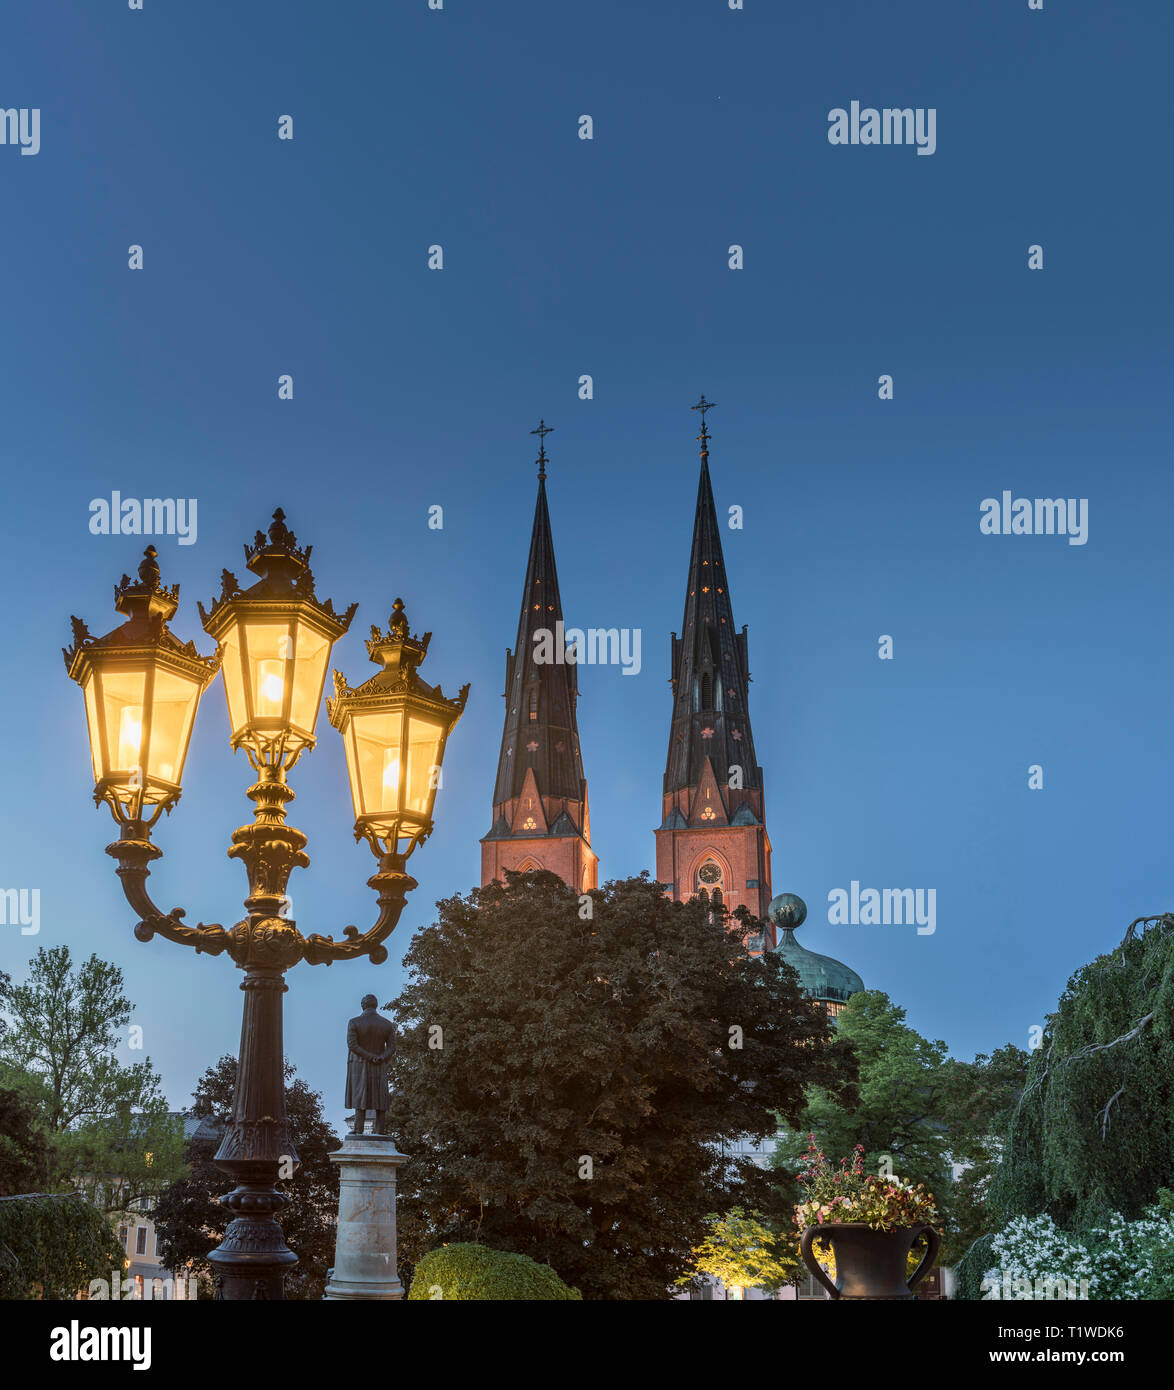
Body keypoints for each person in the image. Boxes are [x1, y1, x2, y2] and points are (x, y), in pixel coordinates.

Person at [345, 995, 395, 1134]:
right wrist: (380, 1057)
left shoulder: (354, 1022)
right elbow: (392, 1047)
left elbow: (352, 1045)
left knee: (360, 1095)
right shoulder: (387, 1024)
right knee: (380, 1096)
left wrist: (369, 1056)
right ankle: (380, 1130)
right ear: (376, 1005)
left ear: (363, 1005)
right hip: (380, 1064)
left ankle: (358, 1129)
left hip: (359, 1064)